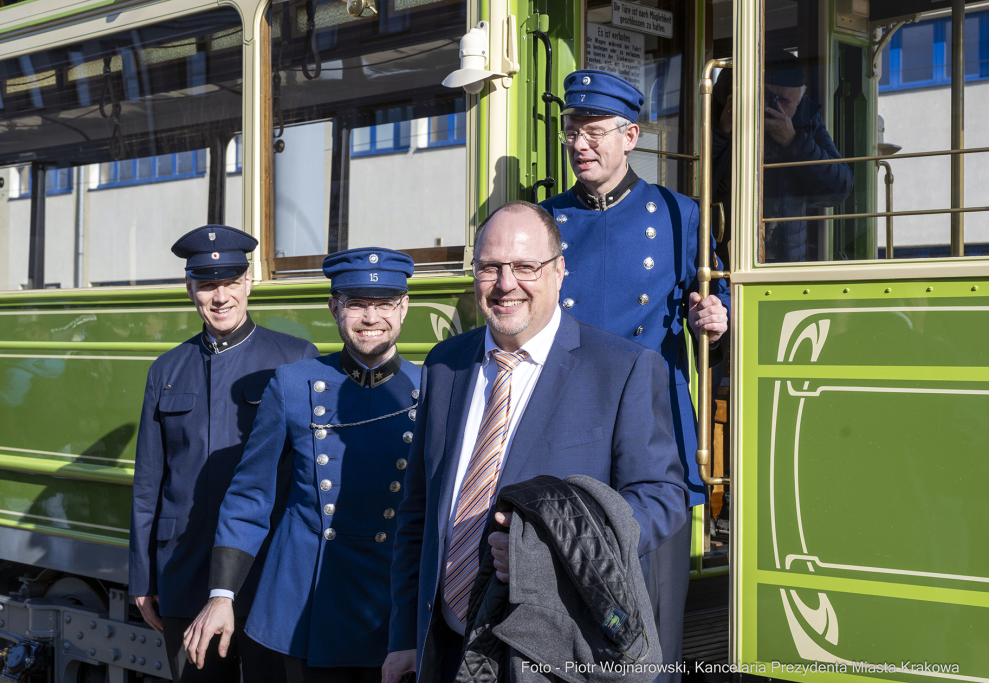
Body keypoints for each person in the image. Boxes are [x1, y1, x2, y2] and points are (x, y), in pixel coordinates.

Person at [381, 201, 688, 683]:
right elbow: (418, 514)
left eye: (526, 266)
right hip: (444, 646)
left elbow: (661, 498)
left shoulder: (622, 369)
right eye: (490, 268)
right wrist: (403, 638)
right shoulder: (445, 365)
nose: (506, 284)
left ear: (559, 270)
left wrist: (551, 550)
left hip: (549, 654)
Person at [538, 69, 731, 683]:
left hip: (650, 431)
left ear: (631, 136)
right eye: (573, 131)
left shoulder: (678, 216)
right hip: (564, 421)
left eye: (594, 131)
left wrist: (718, 317)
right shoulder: (542, 221)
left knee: (650, 617)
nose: (580, 144)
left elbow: (720, 296)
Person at [182, 248, 421, 683]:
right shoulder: (294, 383)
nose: (370, 318)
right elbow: (251, 492)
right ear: (334, 307)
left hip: (394, 604)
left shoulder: (431, 389)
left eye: (384, 303)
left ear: (403, 307)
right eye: (356, 304)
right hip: (304, 605)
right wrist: (221, 594)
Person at [128, 224, 318, 683]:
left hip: (267, 565)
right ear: (189, 287)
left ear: (249, 282)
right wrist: (142, 577)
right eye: (208, 284)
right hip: (184, 567)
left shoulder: (295, 358)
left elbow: (314, 475)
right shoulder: (167, 369)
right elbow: (148, 481)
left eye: (231, 282)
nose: (221, 297)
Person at [713, 52, 853, 262]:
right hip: (724, 251)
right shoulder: (721, 108)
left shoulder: (807, 117)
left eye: (785, 101)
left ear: (802, 95)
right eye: (770, 97)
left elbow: (841, 188)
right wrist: (723, 130)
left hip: (788, 255)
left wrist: (794, 142)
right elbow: (692, 179)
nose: (775, 108)